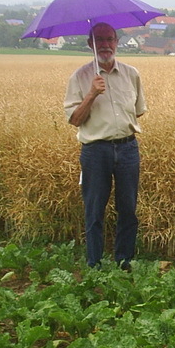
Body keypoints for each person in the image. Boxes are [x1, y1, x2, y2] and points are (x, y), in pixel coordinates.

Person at [63, 22, 147, 270]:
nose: (105, 45)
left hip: (128, 148)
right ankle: (94, 264)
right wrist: (91, 95)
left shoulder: (131, 74)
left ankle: (124, 260)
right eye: (99, 40)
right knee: (94, 209)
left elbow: (138, 112)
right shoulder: (79, 77)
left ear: (117, 42)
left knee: (128, 208)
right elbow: (75, 120)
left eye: (110, 39)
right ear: (90, 44)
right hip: (95, 151)